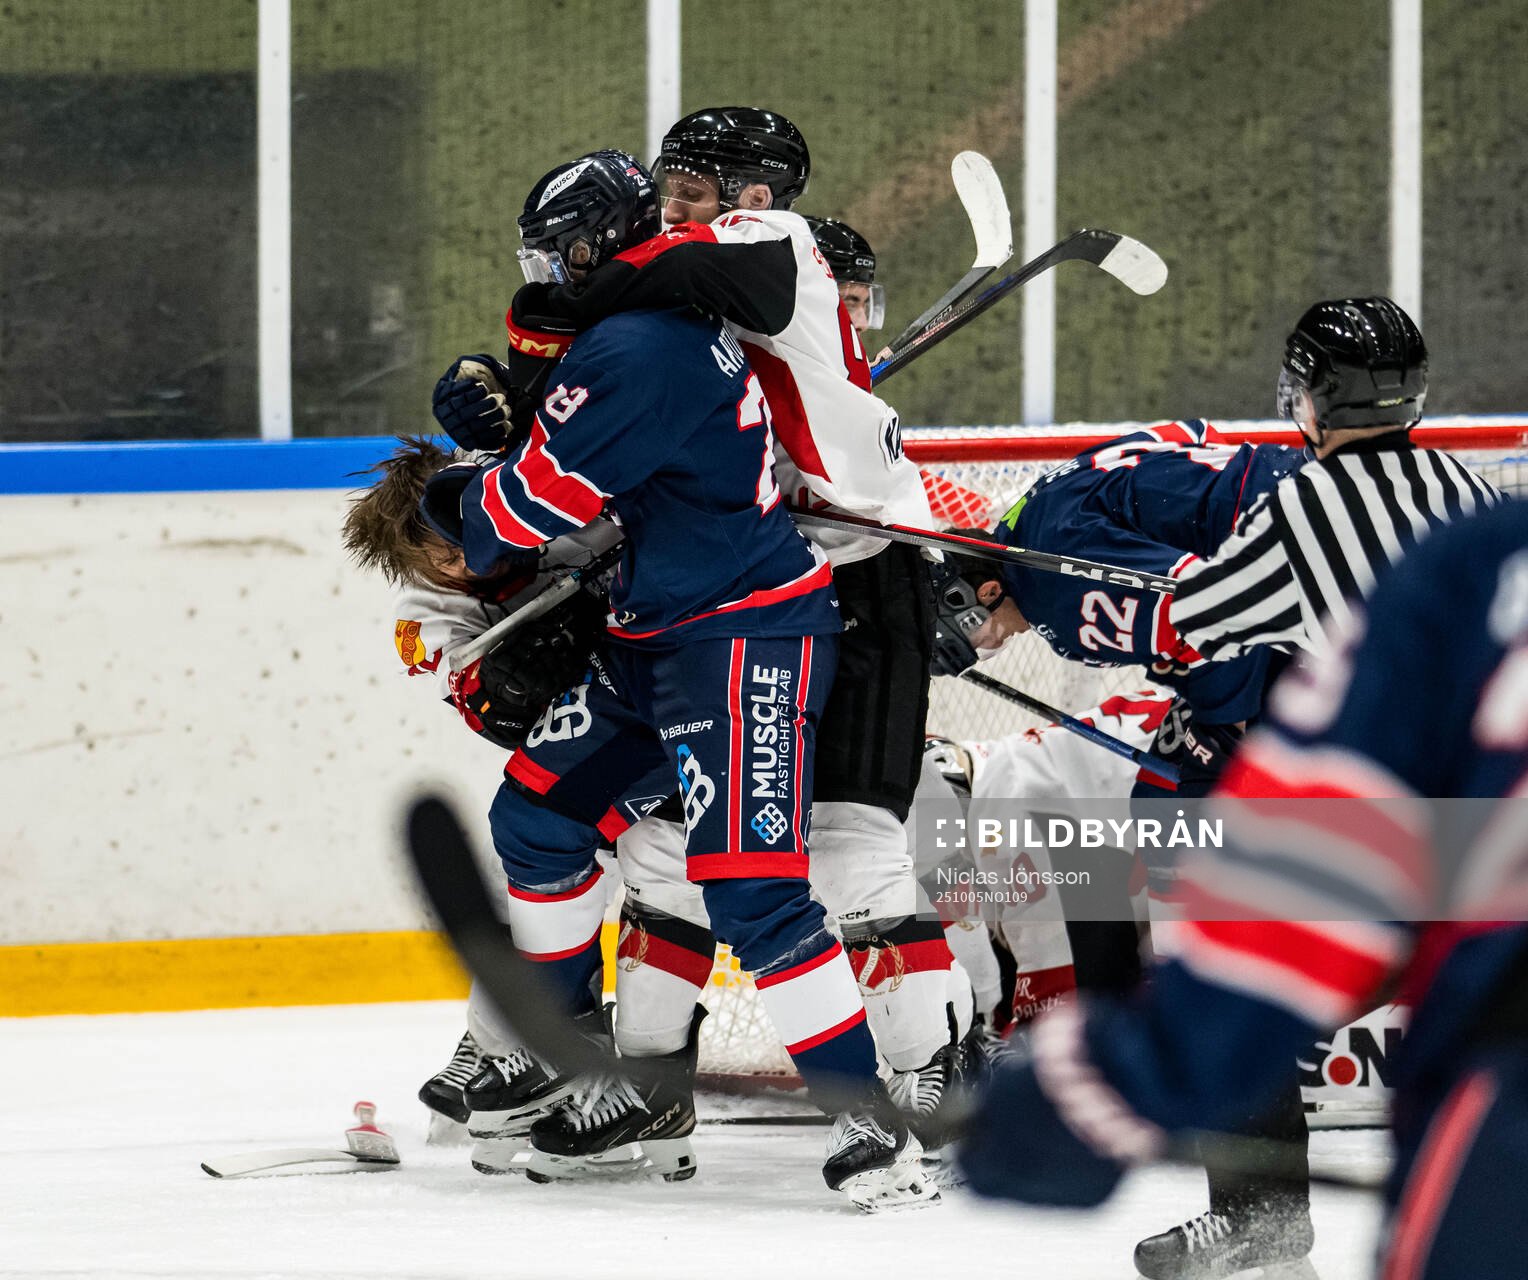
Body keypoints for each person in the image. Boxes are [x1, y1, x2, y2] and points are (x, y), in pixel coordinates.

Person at [436, 107, 985, 1144]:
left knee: (849, 854)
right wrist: (516, 381)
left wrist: (575, 286)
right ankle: (624, 1073)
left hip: (856, 578)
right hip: (741, 574)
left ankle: (925, 1084)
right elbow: (601, 372)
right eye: (661, 187)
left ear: (754, 198)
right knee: (654, 848)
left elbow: (631, 308)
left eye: (687, 190)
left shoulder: (769, 248)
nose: (669, 205)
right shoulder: (688, 277)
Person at [961, 498, 1528, 1280]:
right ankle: (1256, 1210)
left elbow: (1278, 919)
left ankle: (1258, 1211)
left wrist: (1095, 1086)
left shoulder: (1476, 566)